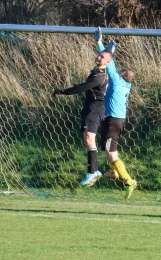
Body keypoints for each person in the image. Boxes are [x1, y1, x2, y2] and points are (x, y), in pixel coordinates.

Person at [52, 45, 113, 187]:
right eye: (98, 55)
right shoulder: (99, 71)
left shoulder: (100, 77)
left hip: (95, 109)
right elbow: (108, 56)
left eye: (102, 57)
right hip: (91, 108)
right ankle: (94, 171)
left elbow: (82, 87)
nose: (98, 57)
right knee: (87, 138)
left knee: (89, 138)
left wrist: (63, 91)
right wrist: (105, 46)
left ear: (108, 62)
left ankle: (93, 171)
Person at [92, 28, 137, 198]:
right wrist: (111, 51)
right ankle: (114, 172)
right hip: (117, 120)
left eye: (120, 71)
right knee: (109, 151)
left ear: (122, 75)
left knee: (111, 153)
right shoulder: (127, 84)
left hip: (113, 121)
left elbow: (107, 61)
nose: (117, 71)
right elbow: (112, 63)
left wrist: (100, 43)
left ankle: (128, 181)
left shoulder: (117, 80)